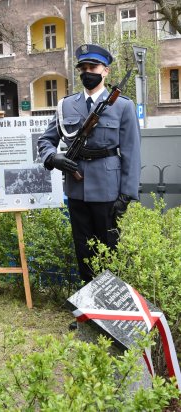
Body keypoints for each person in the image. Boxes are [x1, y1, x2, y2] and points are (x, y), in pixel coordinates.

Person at [38, 44, 141, 284]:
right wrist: (53, 157)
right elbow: (46, 140)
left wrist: (126, 195)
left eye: (92, 67)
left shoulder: (122, 106)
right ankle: (88, 307)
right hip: (76, 190)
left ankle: (111, 311)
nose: (87, 72)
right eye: (82, 68)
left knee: (109, 251)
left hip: (108, 191)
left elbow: (132, 153)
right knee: (83, 251)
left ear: (105, 71)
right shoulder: (66, 105)